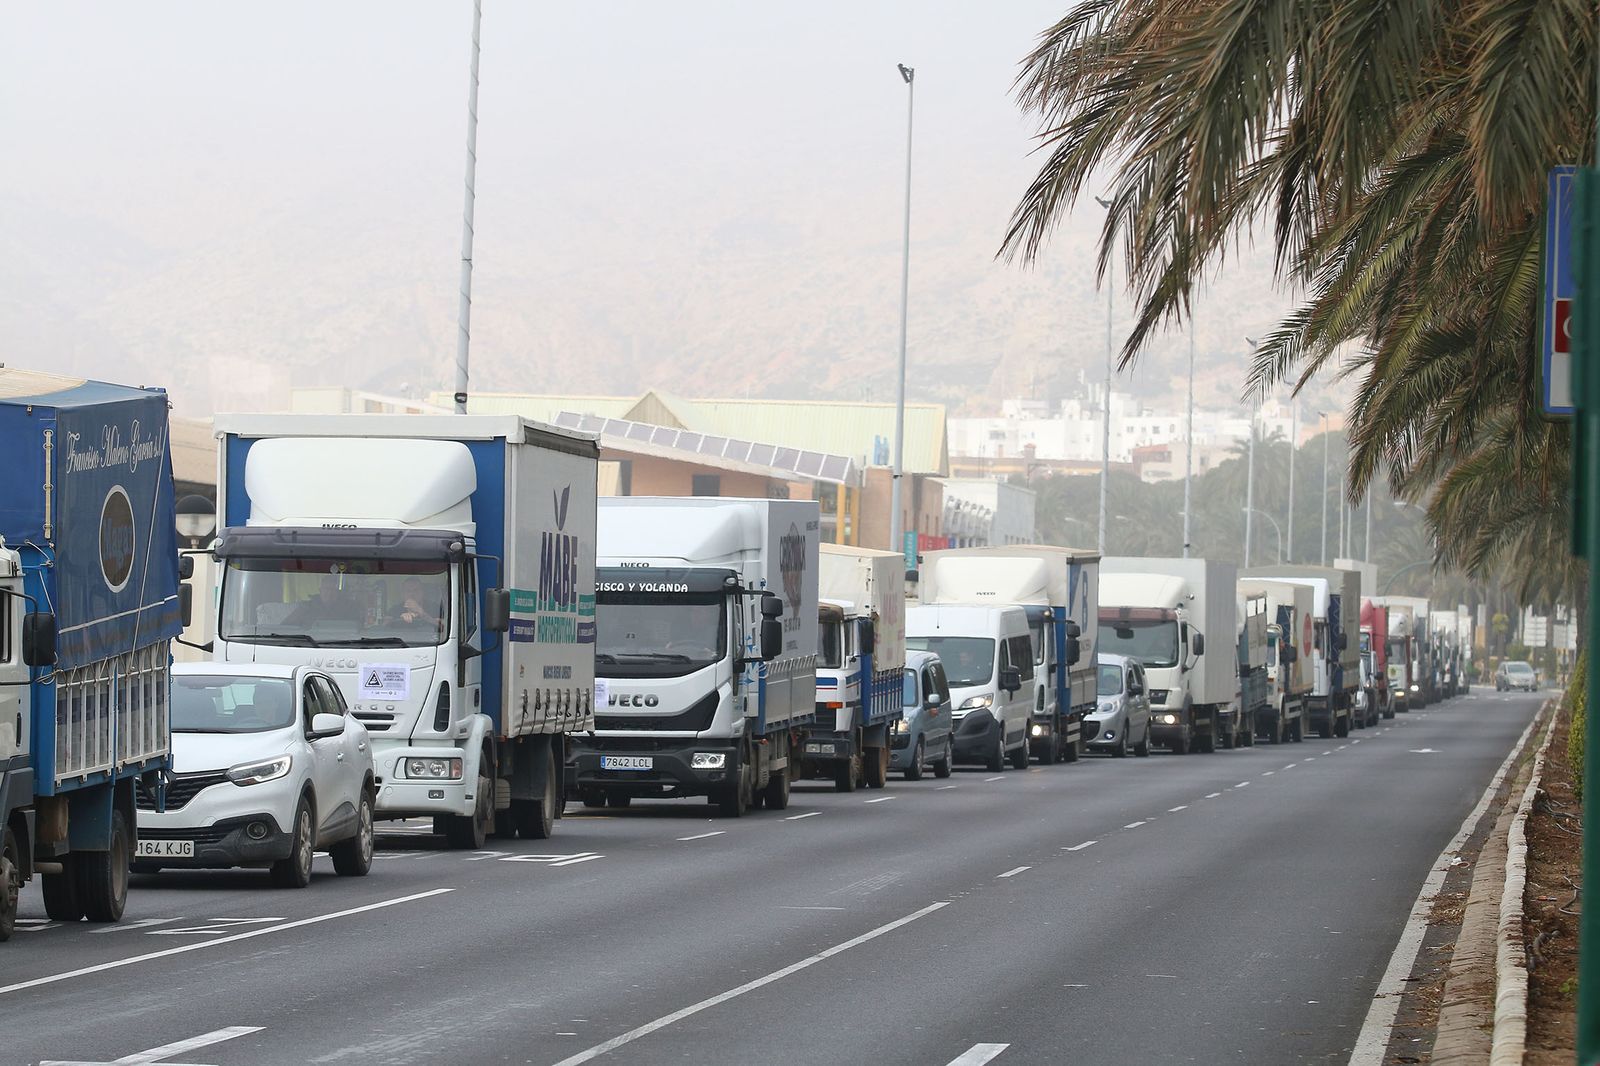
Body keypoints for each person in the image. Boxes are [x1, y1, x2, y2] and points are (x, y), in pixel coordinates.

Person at [288, 575, 360, 625]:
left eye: (333, 590)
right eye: (326, 589)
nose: (329, 593)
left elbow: (360, 627)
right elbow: (287, 626)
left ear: (338, 593)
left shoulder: (349, 608)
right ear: (320, 591)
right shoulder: (306, 607)